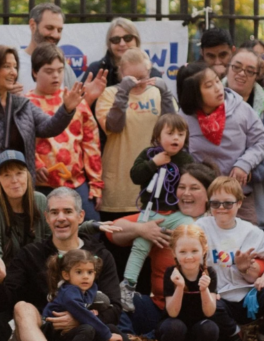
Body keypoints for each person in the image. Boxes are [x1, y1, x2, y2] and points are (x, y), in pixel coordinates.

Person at [0, 45, 102, 204]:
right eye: (6, 66)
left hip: (19, 188)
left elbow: (49, 127)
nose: (13, 72)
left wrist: (67, 108)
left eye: (15, 67)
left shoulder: (22, 104)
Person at [0, 187, 123, 341]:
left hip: (88, 331)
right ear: (47, 218)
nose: (61, 218)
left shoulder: (101, 255)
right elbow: (3, 305)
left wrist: (80, 317)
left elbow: (115, 308)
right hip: (44, 330)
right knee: (22, 307)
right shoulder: (30, 254)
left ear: (81, 216)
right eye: (54, 212)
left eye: (68, 211)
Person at [105, 163, 217, 336]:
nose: (186, 193)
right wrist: (142, 229)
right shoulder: (164, 218)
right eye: (182, 187)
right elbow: (112, 231)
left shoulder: (218, 222)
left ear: (209, 194)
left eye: (194, 188)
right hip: (160, 307)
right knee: (114, 299)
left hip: (201, 310)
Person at [177, 61, 264, 227]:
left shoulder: (241, 108)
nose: (217, 88)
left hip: (239, 198)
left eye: (217, 80)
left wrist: (244, 164)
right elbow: (179, 152)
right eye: (208, 85)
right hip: (202, 201)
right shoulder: (183, 119)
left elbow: (261, 141)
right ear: (194, 94)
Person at [196, 177, 264, 338]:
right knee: (206, 305)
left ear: (239, 203)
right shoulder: (201, 227)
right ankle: (236, 334)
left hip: (248, 298)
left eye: (228, 203)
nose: (221, 208)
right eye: (215, 203)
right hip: (218, 297)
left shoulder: (251, 231)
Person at [121, 113, 194, 305]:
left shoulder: (186, 159)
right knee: (140, 247)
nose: (176, 138)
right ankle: (127, 286)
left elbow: (195, 184)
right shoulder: (148, 154)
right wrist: (154, 163)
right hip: (151, 212)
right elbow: (135, 176)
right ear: (157, 136)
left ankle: (190, 283)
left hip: (178, 214)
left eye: (181, 133)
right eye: (170, 133)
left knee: (192, 234)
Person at [95, 48, 176, 220]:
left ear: (149, 71)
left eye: (143, 77)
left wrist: (166, 94)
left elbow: (173, 128)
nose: (139, 82)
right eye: (132, 78)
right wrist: (123, 92)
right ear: (121, 73)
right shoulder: (109, 94)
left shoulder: (156, 93)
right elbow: (114, 126)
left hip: (153, 184)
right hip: (119, 186)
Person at [27, 44, 104, 220]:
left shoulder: (75, 99)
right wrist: (36, 163)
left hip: (77, 183)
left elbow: (91, 144)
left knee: (89, 230)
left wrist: (96, 184)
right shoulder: (25, 103)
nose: (55, 75)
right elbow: (21, 141)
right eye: (48, 71)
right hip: (42, 186)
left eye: (59, 70)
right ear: (34, 72)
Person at [224, 46, 264, 211]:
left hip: (254, 199)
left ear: (257, 76)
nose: (241, 73)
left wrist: (250, 174)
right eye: (237, 67)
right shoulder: (205, 98)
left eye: (249, 70)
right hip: (211, 197)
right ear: (228, 67)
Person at [42, 249, 124, 341]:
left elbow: (85, 307)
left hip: (72, 330)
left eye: (90, 272)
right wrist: (107, 335)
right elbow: (82, 313)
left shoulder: (90, 288)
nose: (86, 276)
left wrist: (91, 310)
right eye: (79, 272)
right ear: (66, 275)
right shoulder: (69, 292)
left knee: (111, 328)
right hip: (55, 330)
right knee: (88, 329)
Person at [157, 225, 219, 341]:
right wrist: (180, 287)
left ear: (204, 250)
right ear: (174, 252)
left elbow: (209, 312)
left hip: (200, 323)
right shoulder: (171, 273)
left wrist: (204, 289)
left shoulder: (210, 273)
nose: (189, 257)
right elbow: (172, 313)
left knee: (210, 328)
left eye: (194, 251)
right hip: (174, 322)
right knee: (175, 327)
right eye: (183, 252)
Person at [17, 3, 79, 93]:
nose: (55, 35)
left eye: (59, 30)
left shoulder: (64, 67)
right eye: (49, 28)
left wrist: (89, 97)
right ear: (32, 25)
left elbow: (76, 104)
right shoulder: (14, 63)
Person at [85, 17, 163, 87]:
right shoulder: (96, 70)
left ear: (136, 40)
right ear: (109, 44)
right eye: (116, 39)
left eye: (128, 38)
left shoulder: (152, 74)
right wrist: (89, 98)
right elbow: (80, 101)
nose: (122, 44)